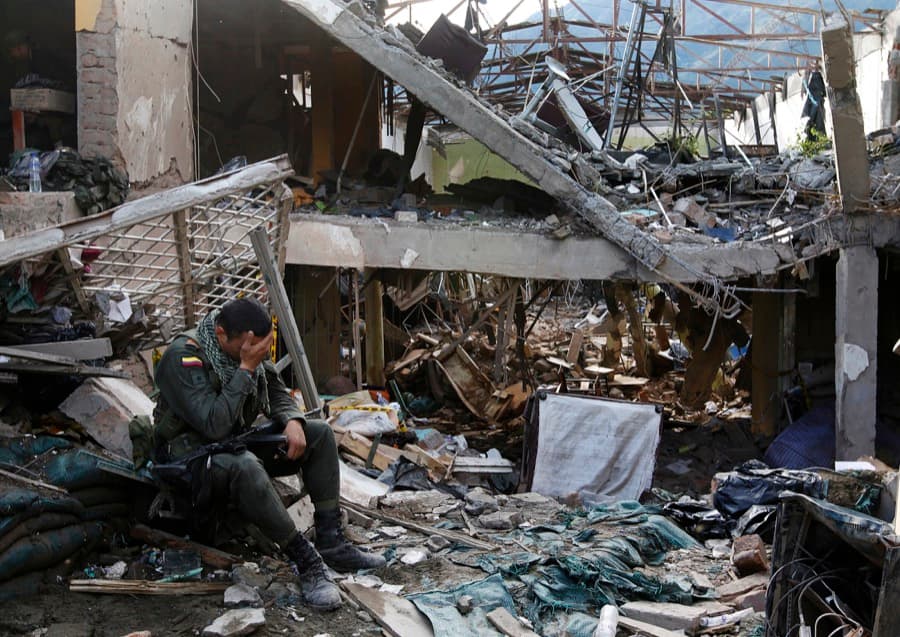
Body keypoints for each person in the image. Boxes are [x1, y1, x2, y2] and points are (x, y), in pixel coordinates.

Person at [152, 297, 385, 611]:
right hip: (189, 457)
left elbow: (275, 391)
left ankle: (331, 541)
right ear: (221, 334)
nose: (257, 357)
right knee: (245, 466)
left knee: (319, 433)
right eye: (249, 352)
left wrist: (292, 419)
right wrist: (246, 368)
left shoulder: (246, 347)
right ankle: (307, 562)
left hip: (231, 443)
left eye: (261, 351)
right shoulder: (184, 357)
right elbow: (213, 425)